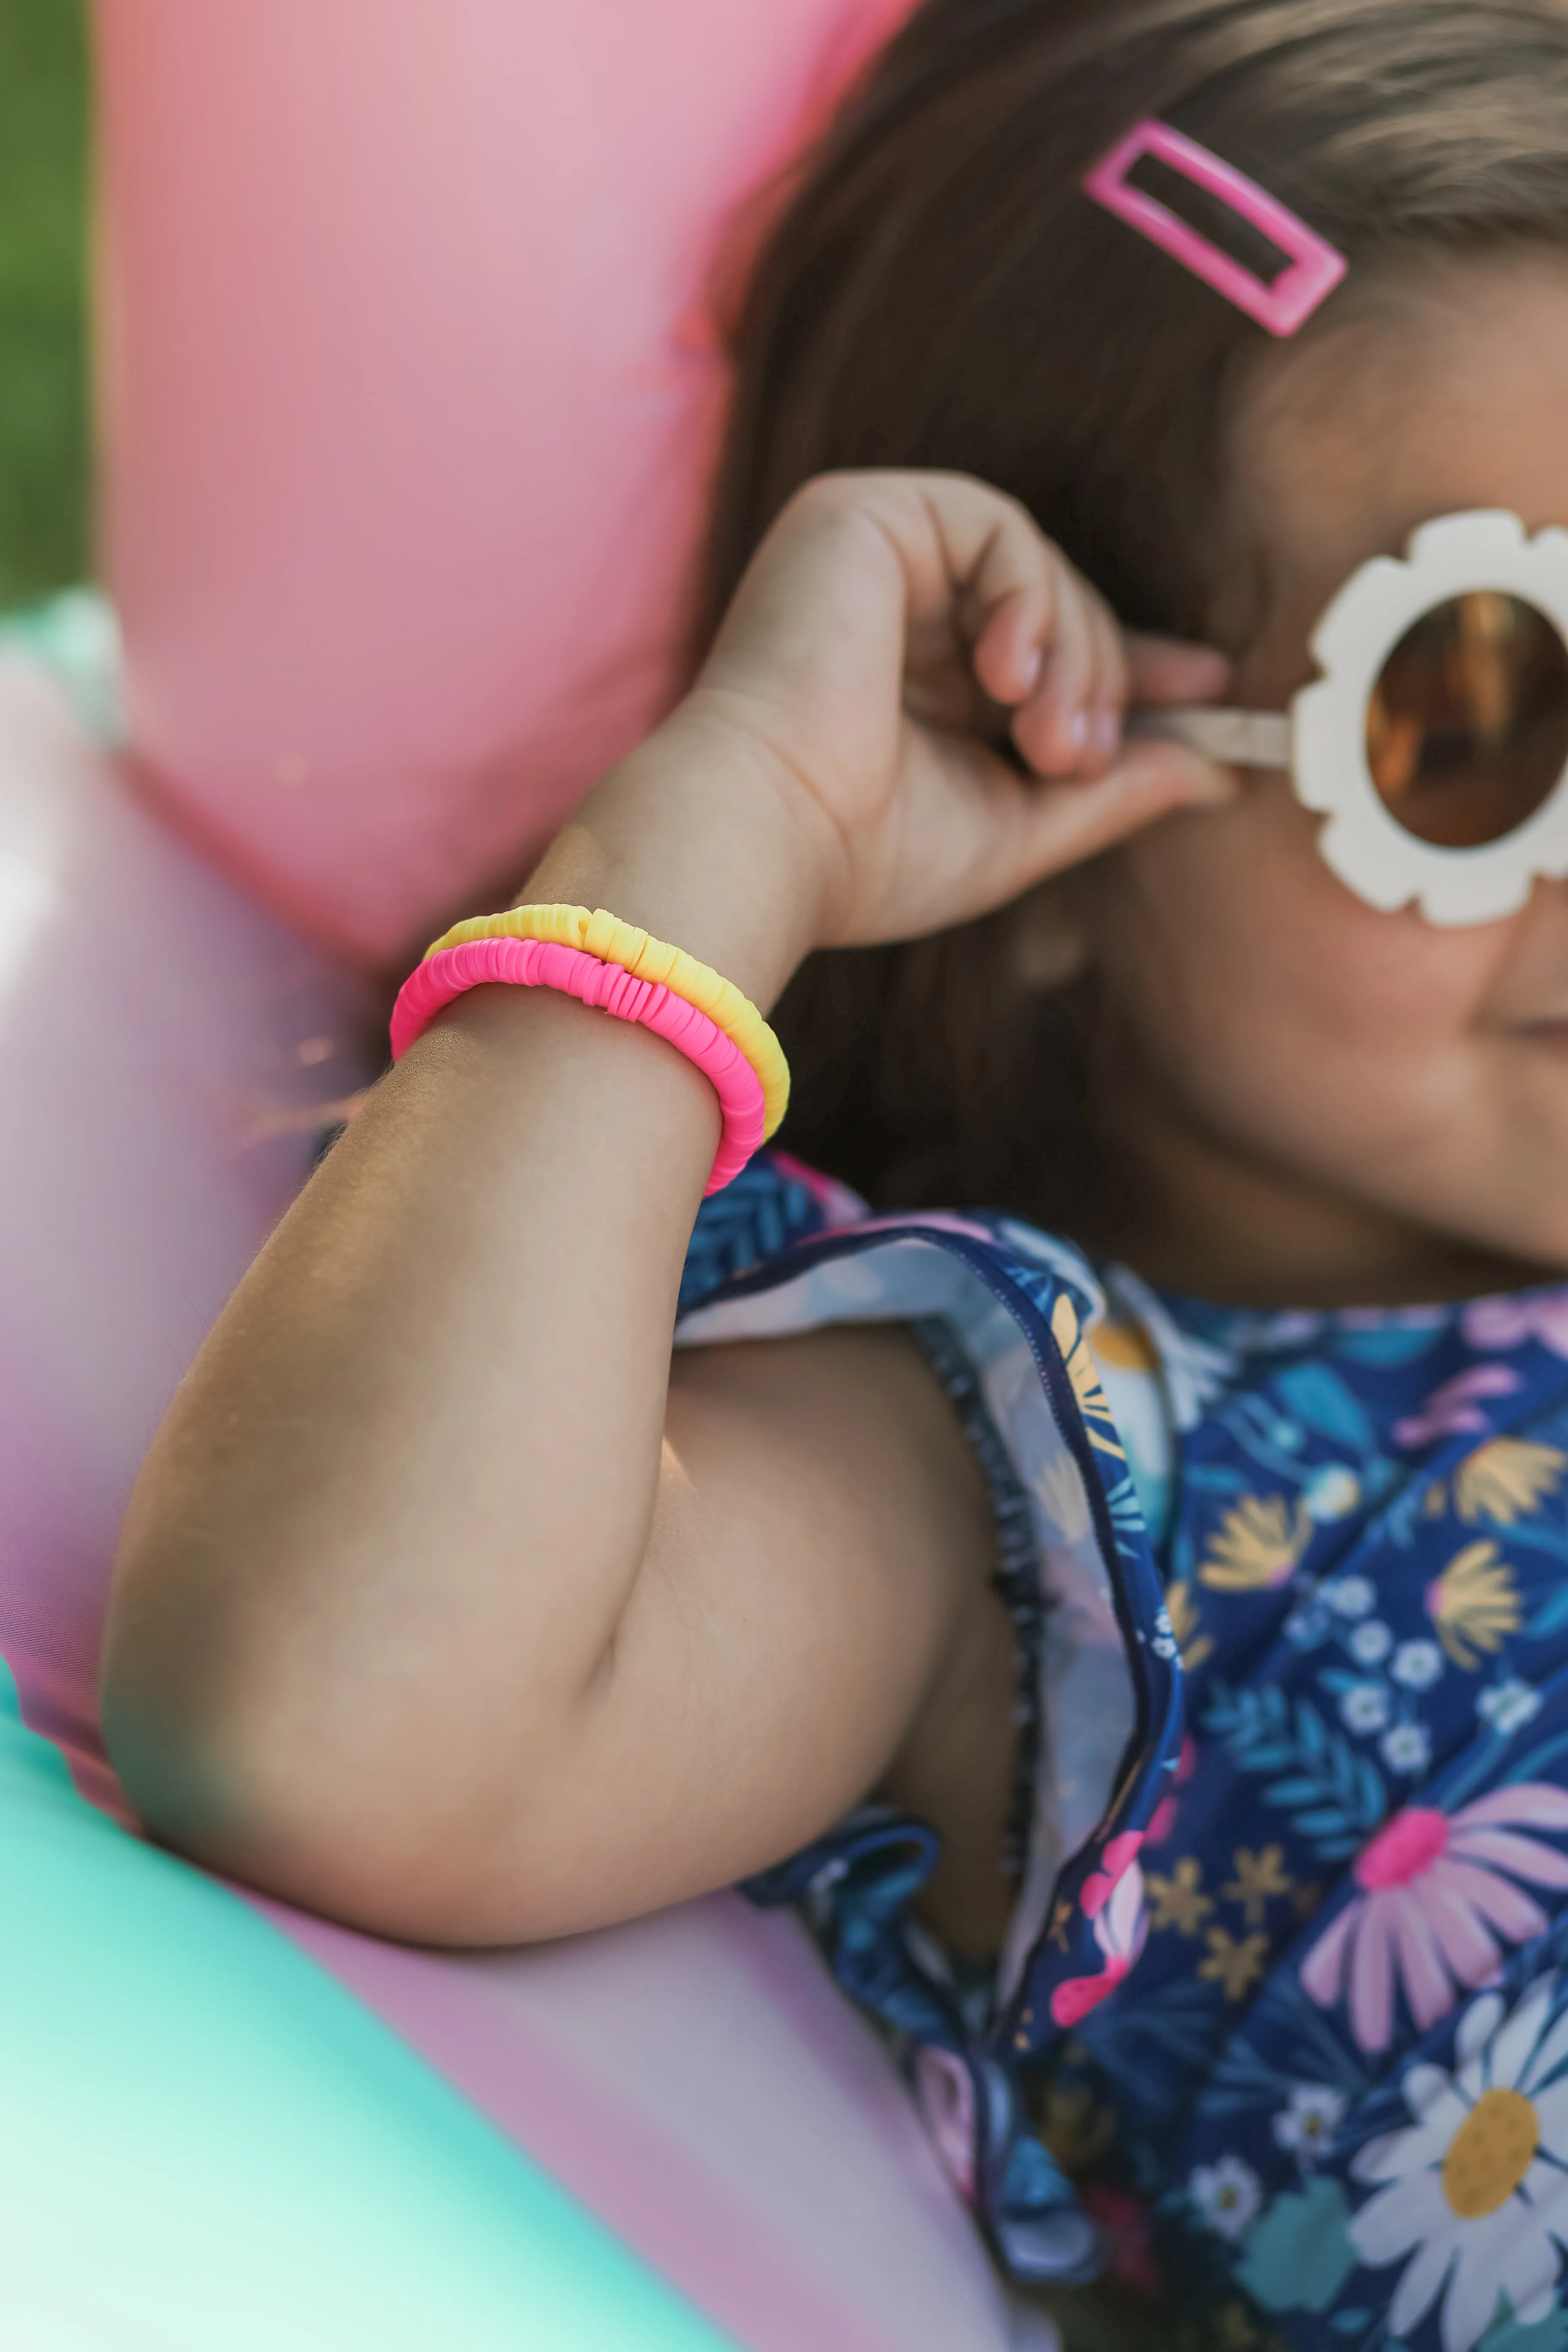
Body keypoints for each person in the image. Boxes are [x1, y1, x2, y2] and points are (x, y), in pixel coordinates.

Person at [98, 3, 1568, 2344]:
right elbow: (322, 1723)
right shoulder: (1021, 1456)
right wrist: (726, 839)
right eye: (1476, 723)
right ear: (1045, 728)